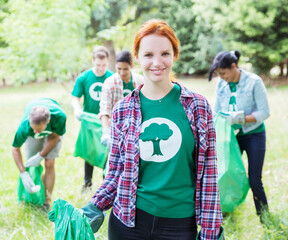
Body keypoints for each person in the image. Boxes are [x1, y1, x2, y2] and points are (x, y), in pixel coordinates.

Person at [82, 19, 224, 240]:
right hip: (128, 222)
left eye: (165, 54)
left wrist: (210, 230)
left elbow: (208, 175)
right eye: (148, 55)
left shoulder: (197, 106)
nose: (157, 62)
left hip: (179, 225)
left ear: (174, 55)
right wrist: (94, 205)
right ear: (137, 57)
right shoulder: (123, 109)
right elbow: (116, 171)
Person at [209, 50, 270, 221]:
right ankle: (224, 209)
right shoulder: (221, 85)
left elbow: (265, 112)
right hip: (230, 135)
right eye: (218, 74)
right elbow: (217, 111)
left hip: (253, 134)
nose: (221, 77)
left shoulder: (254, 82)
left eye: (223, 73)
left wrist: (241, 118)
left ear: (233, 66)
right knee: (223, 173)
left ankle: (264, 216)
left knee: (255, 179)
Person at [12, 98, 66, 210]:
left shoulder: (59, 117)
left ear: (48, 121)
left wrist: (41, 155)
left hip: (53, 133)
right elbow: (15, 149)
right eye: (33, 128)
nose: (36, 131)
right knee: (32, 165)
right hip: (33, 131)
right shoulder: (25, 126)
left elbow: (55, 136)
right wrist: (23, 173)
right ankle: (38, 195)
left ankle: (46, 202)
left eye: (39, 129)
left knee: (49, 163)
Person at [71, 46, 113, 190]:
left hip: (107, 121)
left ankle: (105, 183)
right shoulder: (84, 77)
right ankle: (87, 182)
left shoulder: (112, 78)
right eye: (98, 65)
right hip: (90, 121)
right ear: (93, 61)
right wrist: (77, 109)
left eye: (104, 65)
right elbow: (75, 97)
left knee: (106, 151)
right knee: (90, 151)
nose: (101, 69)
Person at [99, 50, 144, 146]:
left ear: (131, 66)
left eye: (125, 69)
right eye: (119, 68)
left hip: (137, 130)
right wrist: (106, 132)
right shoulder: (110, 83)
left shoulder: (140, 81)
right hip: (116, 131)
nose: (122, 72)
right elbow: (104, 110)